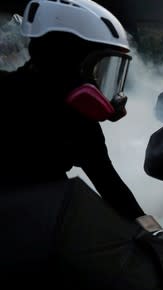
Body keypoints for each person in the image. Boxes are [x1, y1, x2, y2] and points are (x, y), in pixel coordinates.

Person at [0, 0, 144, 220]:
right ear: (67, 59)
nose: (100, 84)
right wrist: (152, 235)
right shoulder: (73, 116)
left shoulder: (77, 117)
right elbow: (110, 186)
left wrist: (152, 233)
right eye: (100, 69)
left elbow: (110, 185)